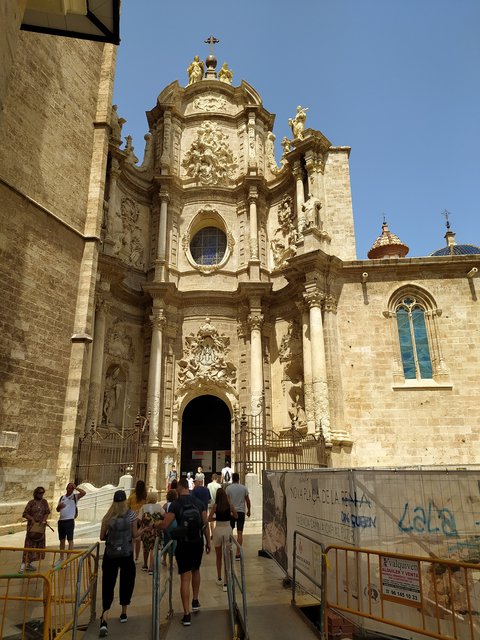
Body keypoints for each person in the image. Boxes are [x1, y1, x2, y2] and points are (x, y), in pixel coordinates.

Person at [156, 478, 210, 627]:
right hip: (197, 542)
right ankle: (196, 600)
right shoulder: (198, 502)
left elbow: (165, 524)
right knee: (196, 570)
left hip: (184, 544)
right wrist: (208, 542)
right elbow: (205, 524)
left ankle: (186, 615)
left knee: (185, 578)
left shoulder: (176, 504)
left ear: (180, 487)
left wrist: (155, 525)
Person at [99, 489, 138, 637]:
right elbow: (135, 535)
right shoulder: (131, 515)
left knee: (108, 583)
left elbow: (102, 537)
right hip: (127, 554)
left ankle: (105, 616)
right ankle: (123, 613)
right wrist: (145, 529)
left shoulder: (107, 517)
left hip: (111, 554)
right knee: (127, 581)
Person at [208, 488, 237, 591]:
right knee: (227, 557)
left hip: (218, 530)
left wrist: (217, 518)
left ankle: (219, 577)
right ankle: (226, 582)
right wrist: (230, 515)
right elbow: (236, 515)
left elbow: (209, 519)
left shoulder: (216, 506)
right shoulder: (230, 505)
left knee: (218, 556)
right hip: (227, 529)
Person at [20, 486, 51, 573]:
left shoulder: (44, 502)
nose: (41, 494)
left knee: (38, 544)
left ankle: (31, 563)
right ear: (36, 493)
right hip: (32, 527)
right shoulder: (31, 503)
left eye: (42, 493)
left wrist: (44, 520)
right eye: (39, 493)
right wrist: (32, 519)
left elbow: (47, 512)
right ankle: (23, 563)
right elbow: (25, 514)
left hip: (40, 527)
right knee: (29, 544)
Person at [56, 482, 86, 561]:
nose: (70, 489)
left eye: (72, 488)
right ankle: (61, 558)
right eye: (69, 487)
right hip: (61, 521)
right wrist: (59, 507)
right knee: (62, 540)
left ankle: (68, 559)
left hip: (69, 521)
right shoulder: (62, 497)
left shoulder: (75, 497)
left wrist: (76, 488)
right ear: (66, 488)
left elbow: (83, 493)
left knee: (70, 540)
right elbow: (57, 510)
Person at [138, 491, 165, 573]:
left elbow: (139, 519)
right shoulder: (159, 507)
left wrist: (143, 525)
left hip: (146, 531)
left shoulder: (144, 507)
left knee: (145, 548)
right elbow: (164, 516)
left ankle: (145, 564)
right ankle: (151, 567)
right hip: (156, 530)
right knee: (153, 548)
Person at [226, 473, 251, 558]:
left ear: (232, 479)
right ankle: (238, 552)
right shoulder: (243, 488)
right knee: (240, 532)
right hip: (241, 512)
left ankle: (229, 550)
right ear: (238, 479)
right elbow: (248, 500)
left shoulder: (228, 488)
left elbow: (227, 501)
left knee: (230, 531)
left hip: (231, 512)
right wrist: (249, 510)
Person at [127, 480, 147, 561]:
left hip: (132, 519)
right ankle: (137, 557)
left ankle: (131, 555)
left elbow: (127, 507)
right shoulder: (145, 497)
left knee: (132, 539)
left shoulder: (131, 497)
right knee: (138, 540)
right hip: (140, 519)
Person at [207, 474, 222, 539]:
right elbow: (220, 495)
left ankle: (212, 533)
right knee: (217, 519)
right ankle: (216, 533)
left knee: (211, 519)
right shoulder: (219, 485)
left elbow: (208, 495)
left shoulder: (208, 485)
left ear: (211, 478)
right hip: (217, 504)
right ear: (217, 479)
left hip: (210, 504)